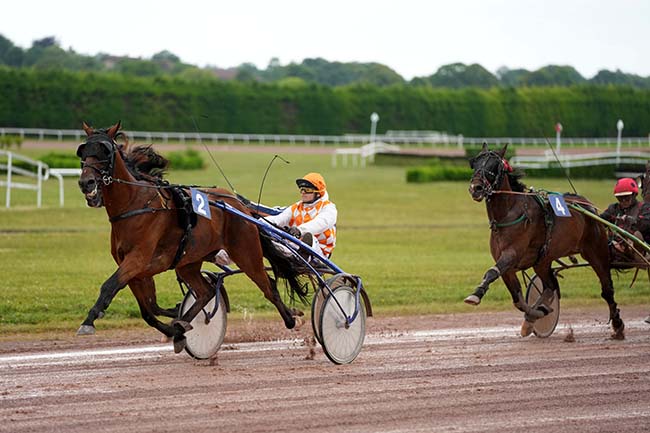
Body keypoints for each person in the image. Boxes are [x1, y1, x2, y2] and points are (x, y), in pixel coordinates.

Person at [600, 177, 650, 325]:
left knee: (636, 235)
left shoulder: (644, 208)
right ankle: (617, 247)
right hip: (615, 250)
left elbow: (646, 223)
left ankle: (625, 246)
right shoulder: (613, 209)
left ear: (634, 195)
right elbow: (600, 220)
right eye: (620, 198)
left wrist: (628, 220)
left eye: (626, 197)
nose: (623, 201)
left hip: (641, 252)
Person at [264, 172, 337, 258]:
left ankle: (304, 258)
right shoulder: (296, 207)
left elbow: (320, 223)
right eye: (302, 189)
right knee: (270, 239)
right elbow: (279, 219)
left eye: (307, 190)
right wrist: (260, 222)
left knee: (309, 237)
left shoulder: (329, 208)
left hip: (321, 251)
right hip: (297, 246)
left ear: (318, 193)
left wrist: (299, 230)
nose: (303, 192)